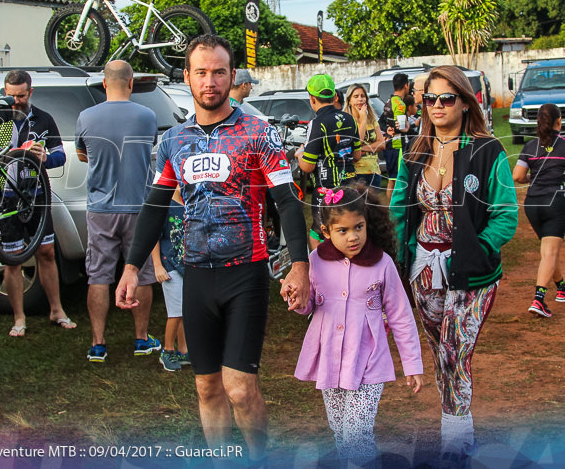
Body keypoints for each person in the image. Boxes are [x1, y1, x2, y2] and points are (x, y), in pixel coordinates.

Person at [115, 34, 310, 461]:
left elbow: (287, 202)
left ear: (232, 76)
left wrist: (300, 265)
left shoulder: (259, 133)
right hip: (196, 276)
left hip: (246, 272)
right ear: (186, 77)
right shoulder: (173, 140)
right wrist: (132, 268)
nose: (210, 81)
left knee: (240, 388)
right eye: (201, 72)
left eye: (219, 72)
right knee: (206, 386)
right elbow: (153, 208)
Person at [389, 65, 518, 462]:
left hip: (473, 273)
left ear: (464, 102)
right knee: (439, 354)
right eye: (430, 99)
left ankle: (457, 437)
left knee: (454, 351)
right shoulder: (413, 152)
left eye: (447, 98)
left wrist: (475, 248)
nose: (437, 106)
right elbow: (398, 208)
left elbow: (506, 214)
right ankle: (455, 424)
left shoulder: (487, 151)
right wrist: (398, 257)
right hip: (424, 272)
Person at [293, 184, 423, 467]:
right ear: (325, 232)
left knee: (356, 433)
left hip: (368, 363)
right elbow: (308, 305)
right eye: (343, 230)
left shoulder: (383, 264)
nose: (353, 237)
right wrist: (297, 299)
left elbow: (401, 316)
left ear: (367, 224)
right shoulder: (315, 262)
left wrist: (412, 364)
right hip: (330, 361)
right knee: (340, 430)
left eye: (359, 227)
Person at [75, 60, 159, 360]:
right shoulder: (147, 116)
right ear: (131, 82)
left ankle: (98, 343)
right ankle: (141, 338)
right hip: (138, 206)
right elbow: (148, 148)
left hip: (101, 208)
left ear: (104, 84)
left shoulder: (86, 116)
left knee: (98, 275)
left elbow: (83, 154)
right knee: (143, 273)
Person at [0, 70, 76, 337]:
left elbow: (60, 156)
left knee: (47, 253)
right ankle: (19, 317)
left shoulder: (43, 118)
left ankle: (57, 310)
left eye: (21, 95)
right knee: (13, 259)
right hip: (5, 197)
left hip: (36, 196)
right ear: (4, 92)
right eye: (11, 96)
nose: (16, 101)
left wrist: (44, 158)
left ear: (31, 92)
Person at [512, 103, 565, 319]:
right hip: (556, 203)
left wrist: (533, 178)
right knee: (549, 252)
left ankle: (562, 287)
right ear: (559, 122)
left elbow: (517, 176)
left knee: (548, 248)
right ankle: (539, 299)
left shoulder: (529, 147)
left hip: (532, 204)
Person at [296, 73, 362, 250]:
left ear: (312, 98)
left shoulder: (316, 123)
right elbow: (357, 156)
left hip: (327, 191)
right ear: (334, 96)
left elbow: (307, 166)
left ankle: (323, 274)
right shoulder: (350, 119)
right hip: (350, 188)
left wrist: (300, 153)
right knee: (347, 231)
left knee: (319, 233)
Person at [150, 187, 190, 372]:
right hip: (169, 266)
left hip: (186, 267)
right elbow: (153, 238)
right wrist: (157, 265)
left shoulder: (189, 204)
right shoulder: (165, 206)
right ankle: (167, 350)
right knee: (175, 314)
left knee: (184, 311)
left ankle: (183, 350)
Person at [346, 84, 385, 192]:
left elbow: (382, 144)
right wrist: (362, 120)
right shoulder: (347, 121)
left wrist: (361, 149)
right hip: (356, 173)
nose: (360, 99)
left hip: (373, 172)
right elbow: (358, 141)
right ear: (349, 100)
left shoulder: (371, 119)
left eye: (363, 96)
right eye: (356, 96)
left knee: (373, 207)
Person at [380, 73, 410, 200]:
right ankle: (395, 208)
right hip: (398, 146)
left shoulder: (388, 101)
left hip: (389, 144)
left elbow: (381, 122)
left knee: (391, 181)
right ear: (406, 86)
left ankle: (390, 209)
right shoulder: (400, 104)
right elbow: (401, 126)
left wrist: (388, 129)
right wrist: (408, 128)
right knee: (398, 181)